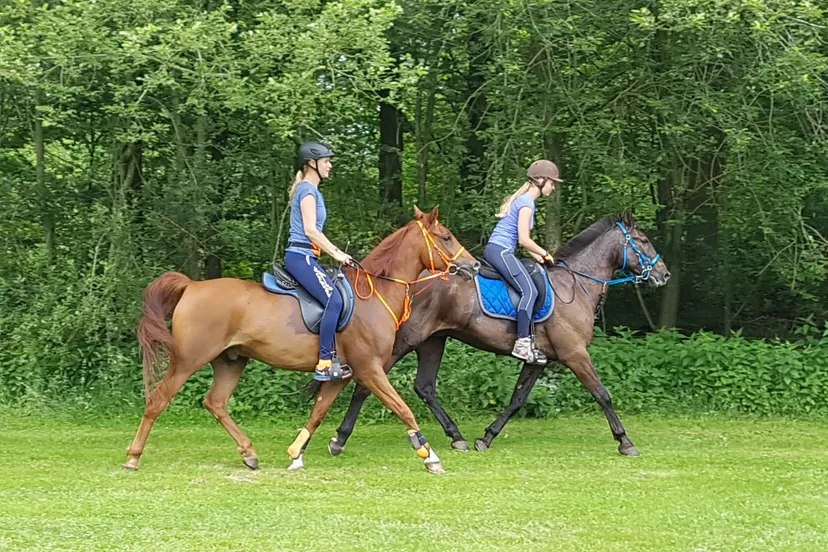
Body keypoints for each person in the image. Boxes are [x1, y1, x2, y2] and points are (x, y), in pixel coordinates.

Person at [284, 141, 354, 381]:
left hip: (307, 256)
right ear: (312, 164)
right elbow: (310, 230)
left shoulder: (312, 191)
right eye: (326, 161)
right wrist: (337, 253)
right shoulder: (307, 190)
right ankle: (324, 362)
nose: (330, 165)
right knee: (334, 301)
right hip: (300, 256)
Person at [484, 160, 562, 365]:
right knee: (530, 292)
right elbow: (523, 239)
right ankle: (522, 343)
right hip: (500, 251)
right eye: (552, 182)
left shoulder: (525, 201)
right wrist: (545, 252)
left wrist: (539, 257)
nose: (553, 187)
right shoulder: (527, 204)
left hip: (499, 250)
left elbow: (523, 242)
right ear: (540, 180)